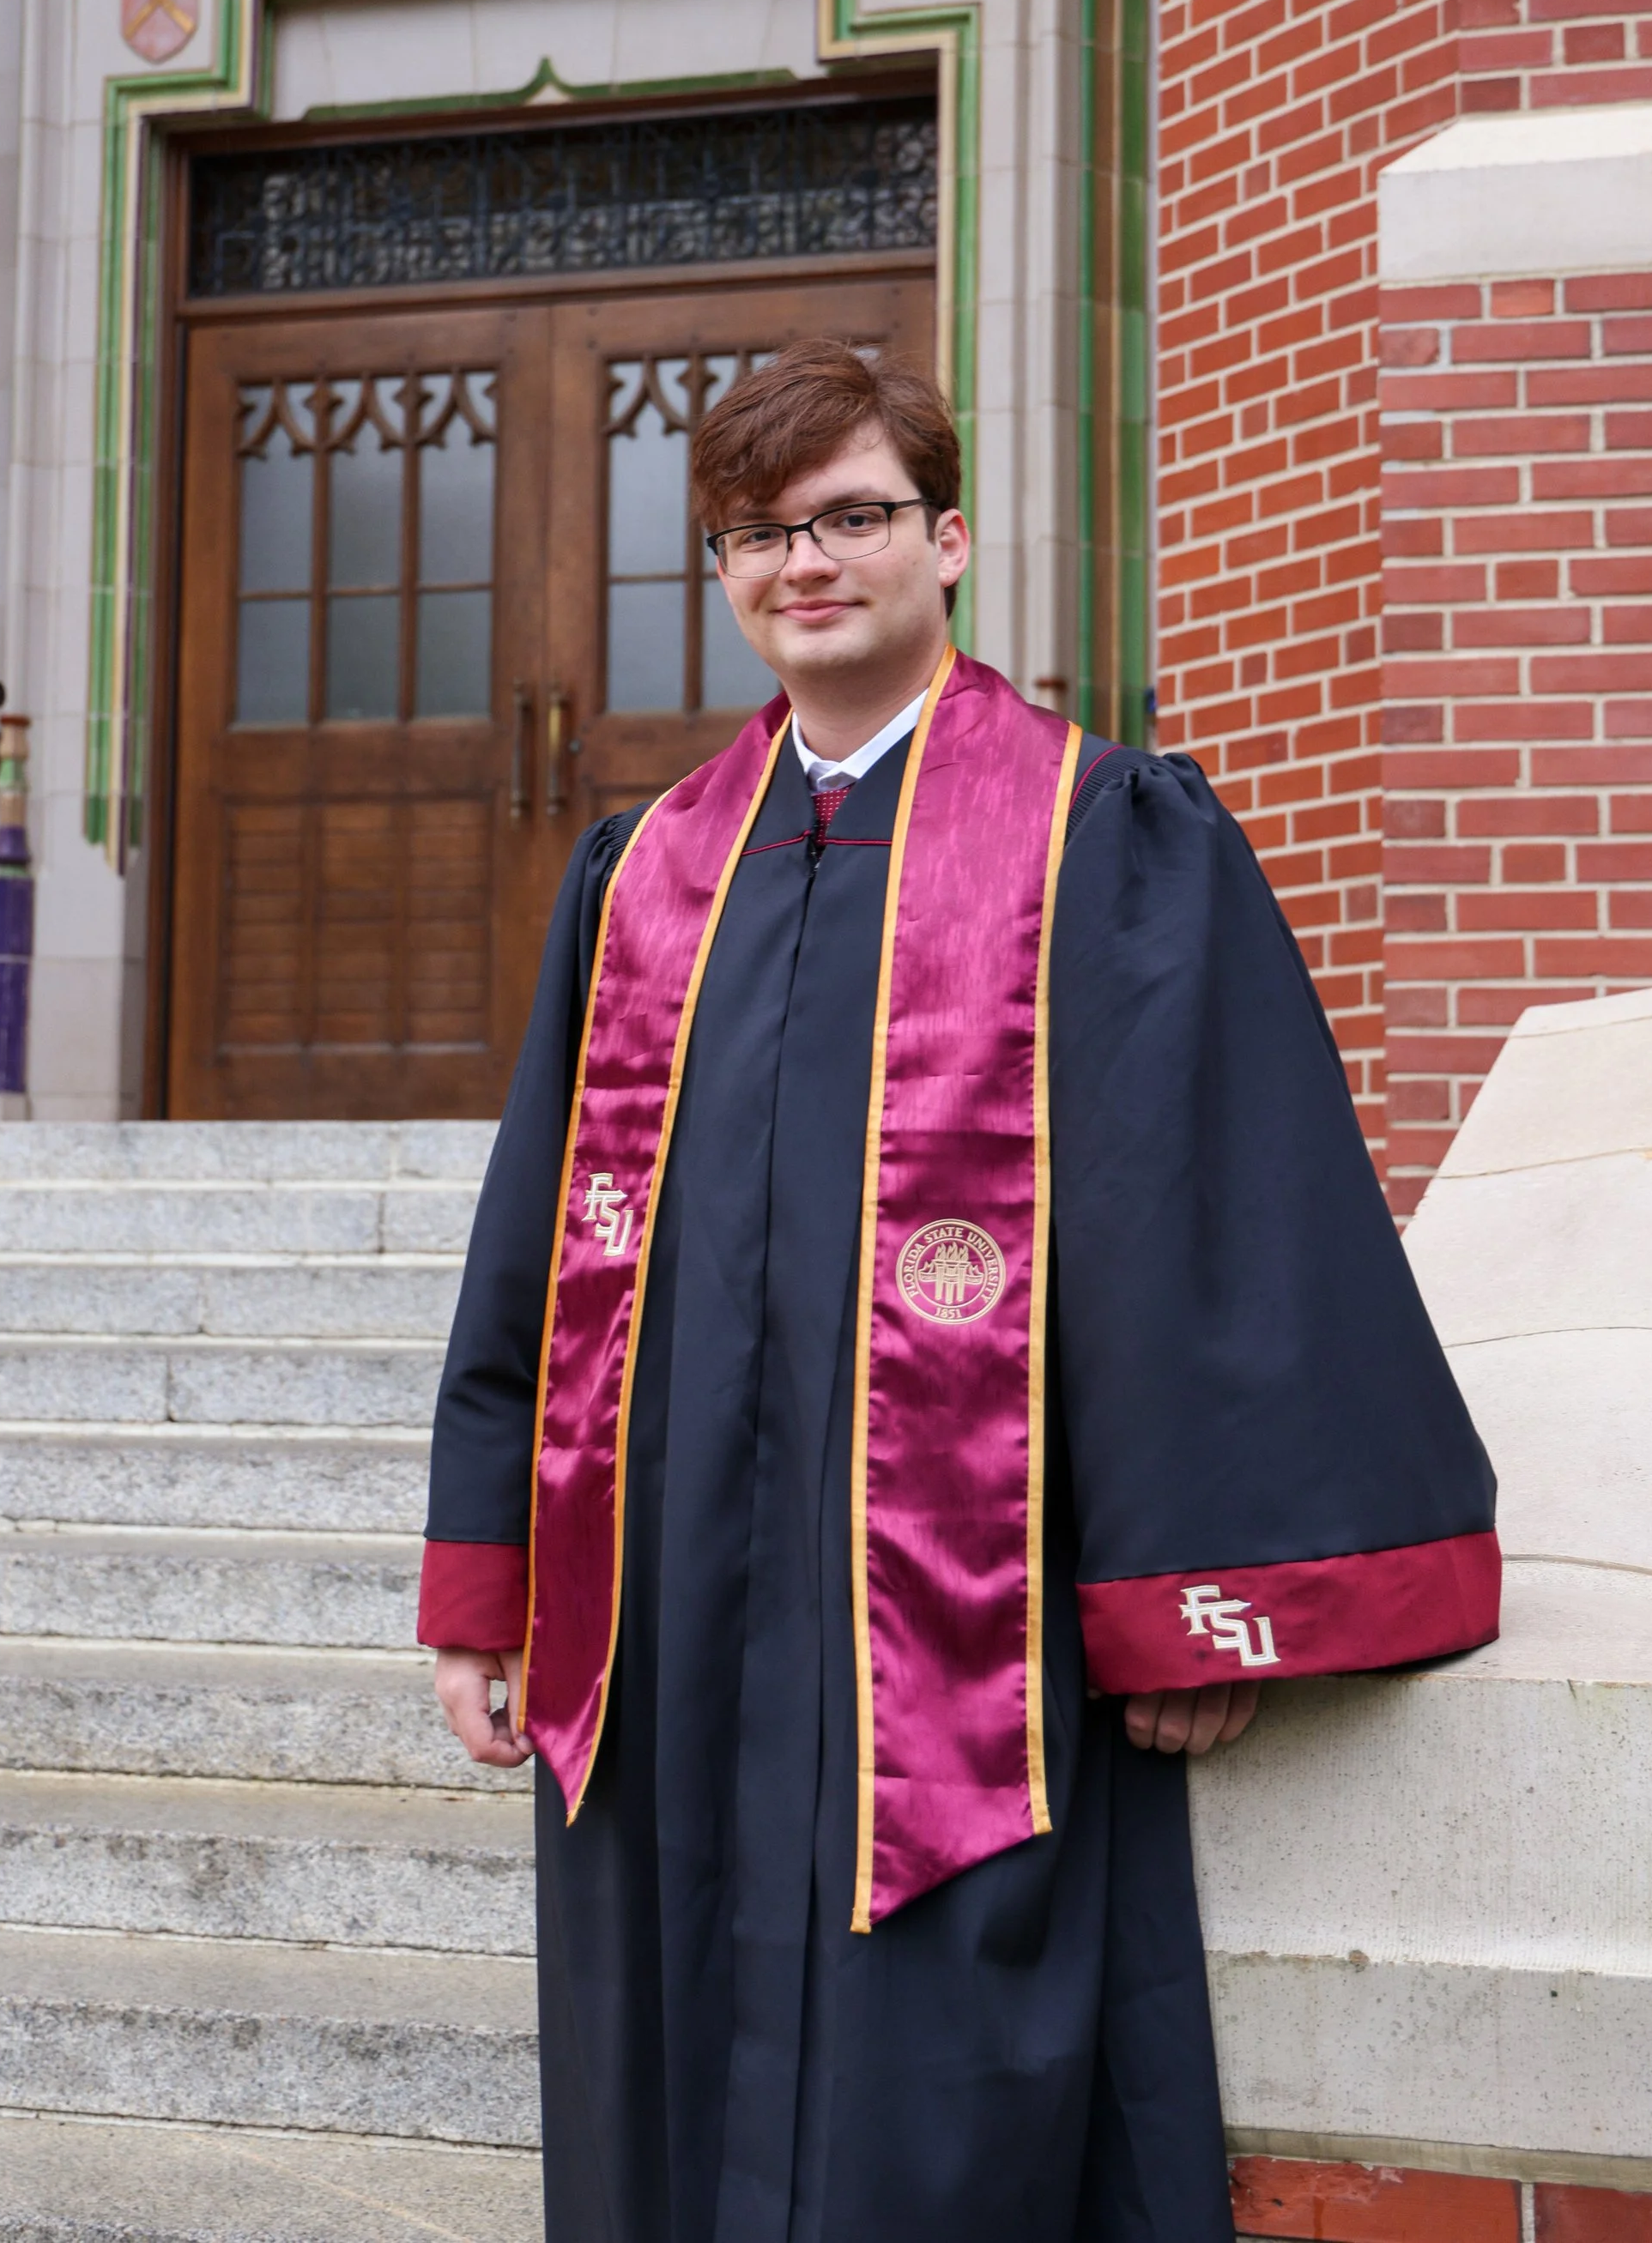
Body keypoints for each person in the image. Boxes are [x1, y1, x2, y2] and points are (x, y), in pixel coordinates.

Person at [421, 340, 1498, 2243]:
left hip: (950, 1607)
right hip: (665, 1596)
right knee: (654, 2059)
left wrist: (1187, 1594)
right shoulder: (645, 871)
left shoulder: (1100, 833)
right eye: (755, 531)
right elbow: (540, 1239)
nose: (799, 561)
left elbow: (1208, 1214)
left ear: (949, 538)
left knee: (944, 2099)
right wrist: (489, 1578)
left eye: (847, 514)